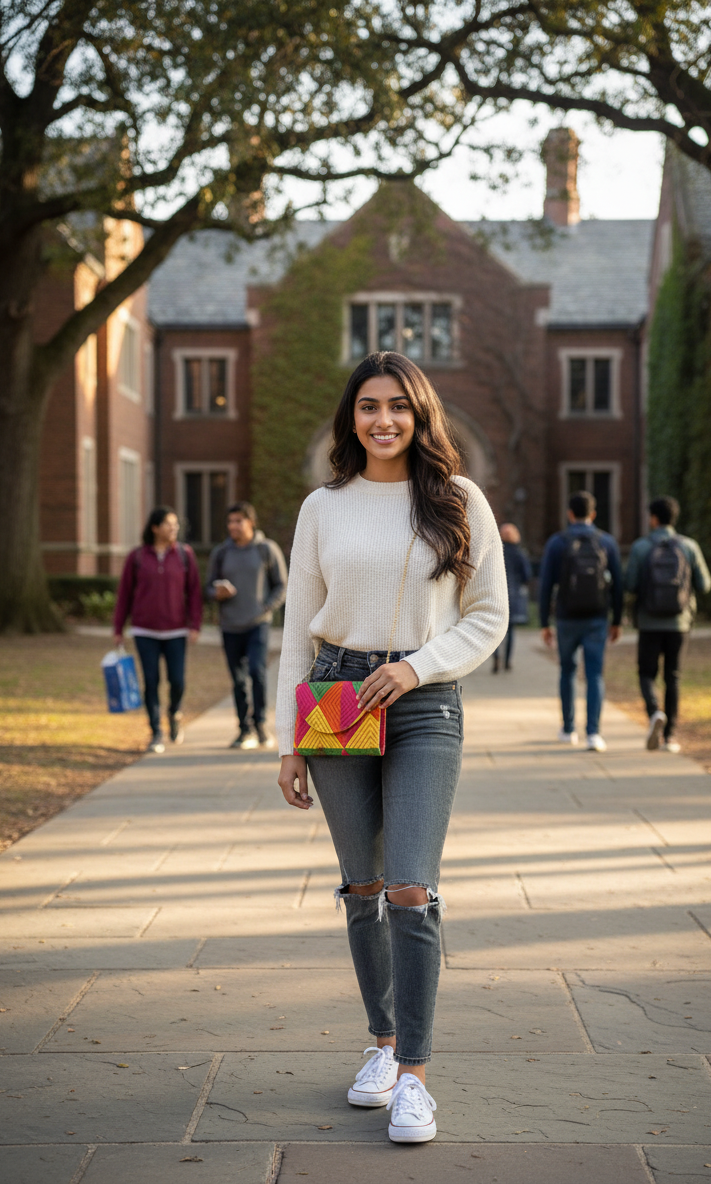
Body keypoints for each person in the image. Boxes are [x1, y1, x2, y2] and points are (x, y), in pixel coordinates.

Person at [275, 351, 507, 1144]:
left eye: (398, 406)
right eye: (369, 406)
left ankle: (413, 1075)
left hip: (424, 705)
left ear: (420, 414)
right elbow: (294, 631)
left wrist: (415, 667)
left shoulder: (457, 500)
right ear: (352, 418)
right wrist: (287, 743)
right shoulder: (322, 508)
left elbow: (488, 616)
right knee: (362, 885)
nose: (383, 420)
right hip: (336, 699)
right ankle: (380, 1046)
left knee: (411, 885)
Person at [625, 495, 711, 753]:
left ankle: (654, 713)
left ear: (653, 519)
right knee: (673, 677)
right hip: (680, 622)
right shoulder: (689, 546)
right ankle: (670, 737)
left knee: (646, 673)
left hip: (649, 622)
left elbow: (630, 584)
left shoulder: (641, 547)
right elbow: (705, 585)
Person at [538, 491, 623, 752]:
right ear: (593, 514)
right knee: (595, 674)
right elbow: (617, 585)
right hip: (597, 617)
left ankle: (568, 728)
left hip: (566, 618)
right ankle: (594, 733)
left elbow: (545, 586)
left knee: (567, 671)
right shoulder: (606, 542)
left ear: (570, 514)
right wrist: (616, 620)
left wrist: (544, 622)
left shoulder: (557, 542)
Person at [113, 506, 202, 754]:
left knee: (177, 681)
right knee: (151, 681)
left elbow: (194, 592)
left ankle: (174, 713)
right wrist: (118, 627)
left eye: (175, 524)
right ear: (154, 528)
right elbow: (124, 595)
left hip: (176, 631)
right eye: (168, 524)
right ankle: (156, 733)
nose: (174, 528)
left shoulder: (185, 554)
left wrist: (194, 624)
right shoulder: (137, 557)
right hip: (145, 631)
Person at [205, 502, 287, 750]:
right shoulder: (221, 552)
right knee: (238, 680)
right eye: (230, 522)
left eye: (238, 521)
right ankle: (244, 729)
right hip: (230, 625)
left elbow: (281, 584)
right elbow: (208, 586)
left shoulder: (266, 549)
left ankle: (261, 725)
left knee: (256, 673)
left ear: (251, 522)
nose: (233, 526)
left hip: (257, 624)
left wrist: (266, 607)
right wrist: (217, 593)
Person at [492, 522, 533, 673]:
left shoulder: (495, 551)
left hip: (496, 595)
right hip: (513, 596)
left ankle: (496, 655)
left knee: (495, 630)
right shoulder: (519, 553)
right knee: (510, 631)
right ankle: (507, 660)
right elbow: (527, 575)